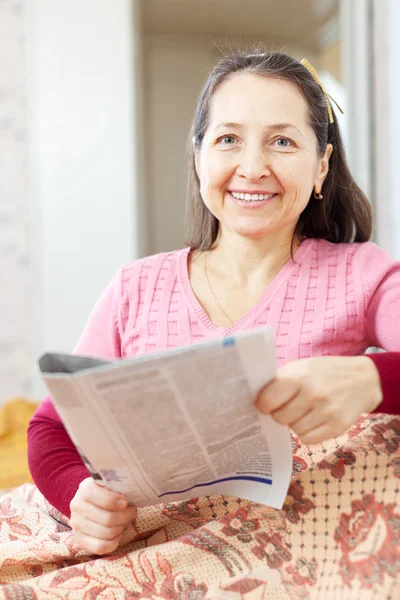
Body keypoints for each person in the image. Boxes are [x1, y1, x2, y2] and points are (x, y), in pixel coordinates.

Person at [28, 50, 400, 556]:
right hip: (158, 559)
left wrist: (371, 381)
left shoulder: (364, 274)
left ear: (321, 166)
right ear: (199, 156)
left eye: (283, 141)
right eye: (228, 139)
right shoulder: (135, 287)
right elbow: (51, 426)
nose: (252, 167)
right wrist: (79, 496)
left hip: (304, 561)